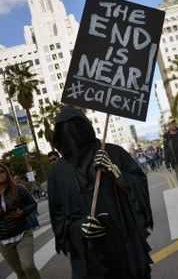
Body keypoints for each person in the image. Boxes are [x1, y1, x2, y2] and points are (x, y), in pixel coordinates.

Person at [48, 105, 153, 279]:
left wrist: (115, 172)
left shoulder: (112, 152)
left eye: (76, 127)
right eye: (66, 130)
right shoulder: (58, 172)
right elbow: (58, 218)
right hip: (90, 256)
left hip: (124, 243)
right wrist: (78, 228)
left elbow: (139, 183)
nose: (72, 134)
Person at [0, 163, 40, 279]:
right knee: (20, 273)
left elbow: (32, 204)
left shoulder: (19, 189)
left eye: (2, 171)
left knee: (28, 266)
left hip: (23, 233)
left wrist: (23, 212)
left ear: (7, 174)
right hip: (3, 240)